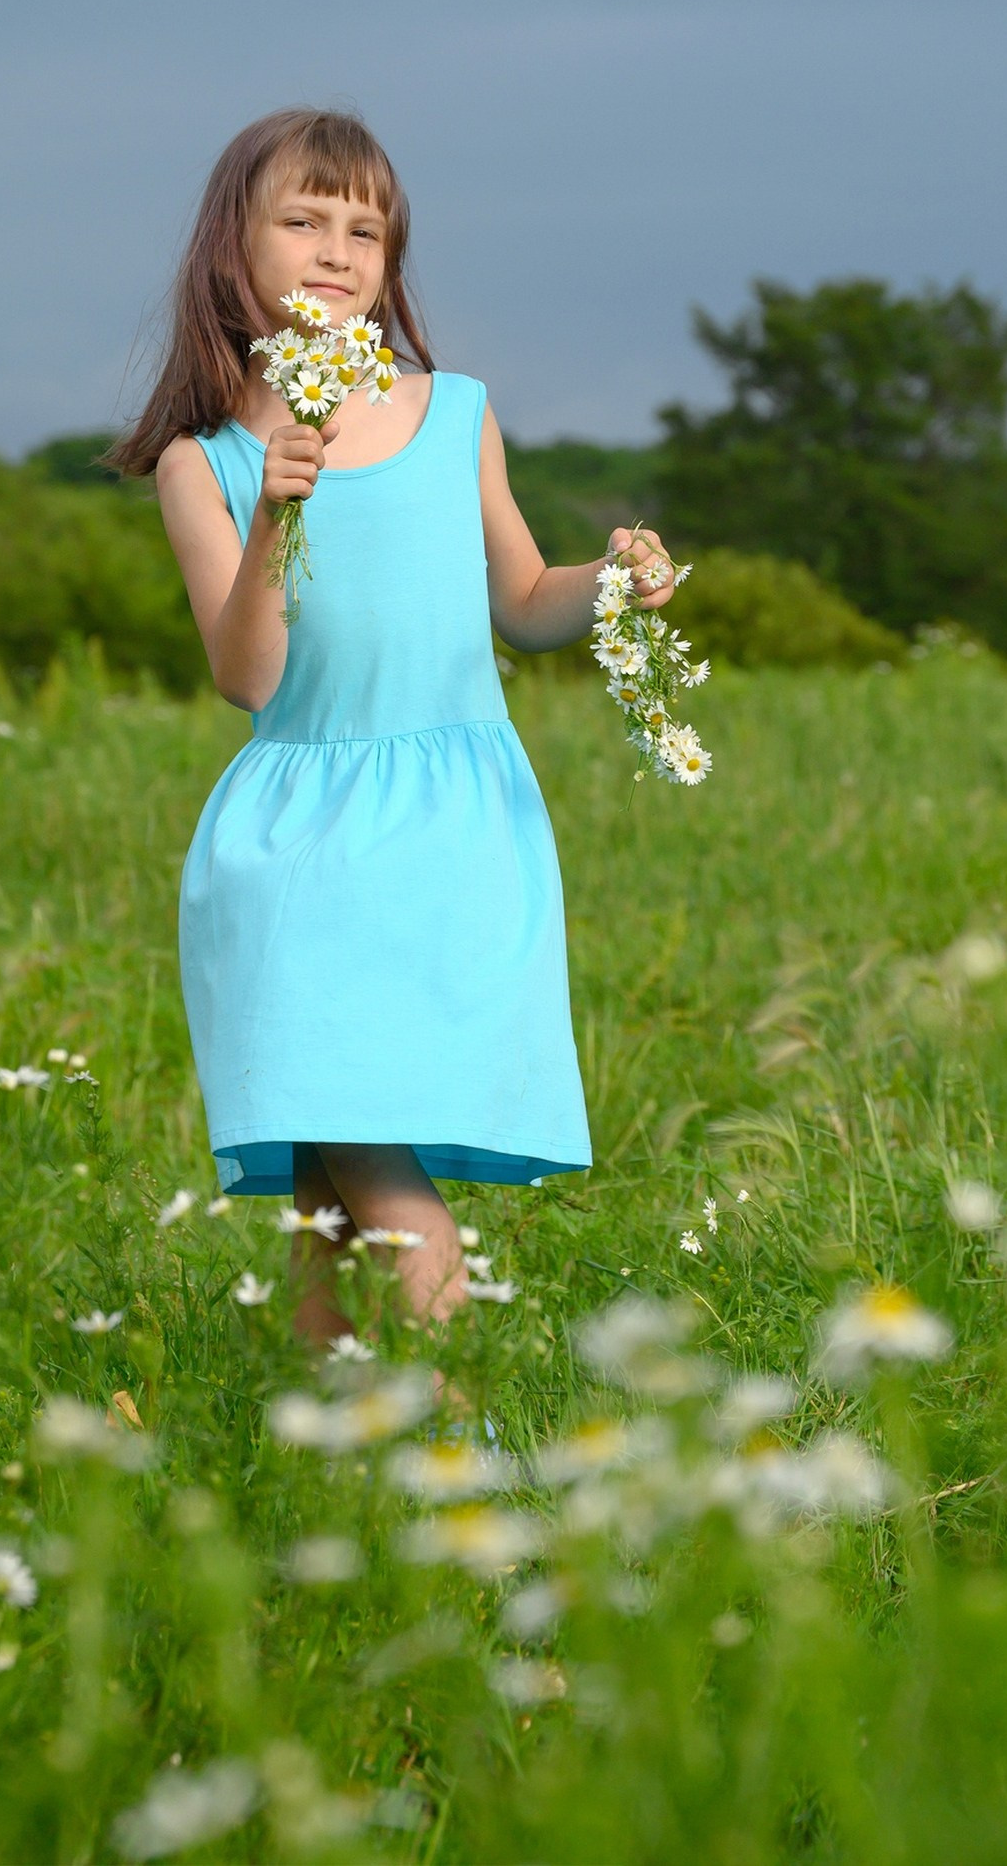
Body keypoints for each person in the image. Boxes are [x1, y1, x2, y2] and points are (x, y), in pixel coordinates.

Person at [109, 107, 677, 1348]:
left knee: (360, 1162)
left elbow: (526, 607)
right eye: (303, 220)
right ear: (230, 248)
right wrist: (276, 510)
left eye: (364, 228)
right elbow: (248, 672)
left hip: (450, 829)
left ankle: (426, 1449)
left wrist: (617, 578)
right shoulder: (204, 465)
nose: (336, 249)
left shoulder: (454, 410)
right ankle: (384, 1459)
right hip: (296, 842)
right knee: (327, 1179)